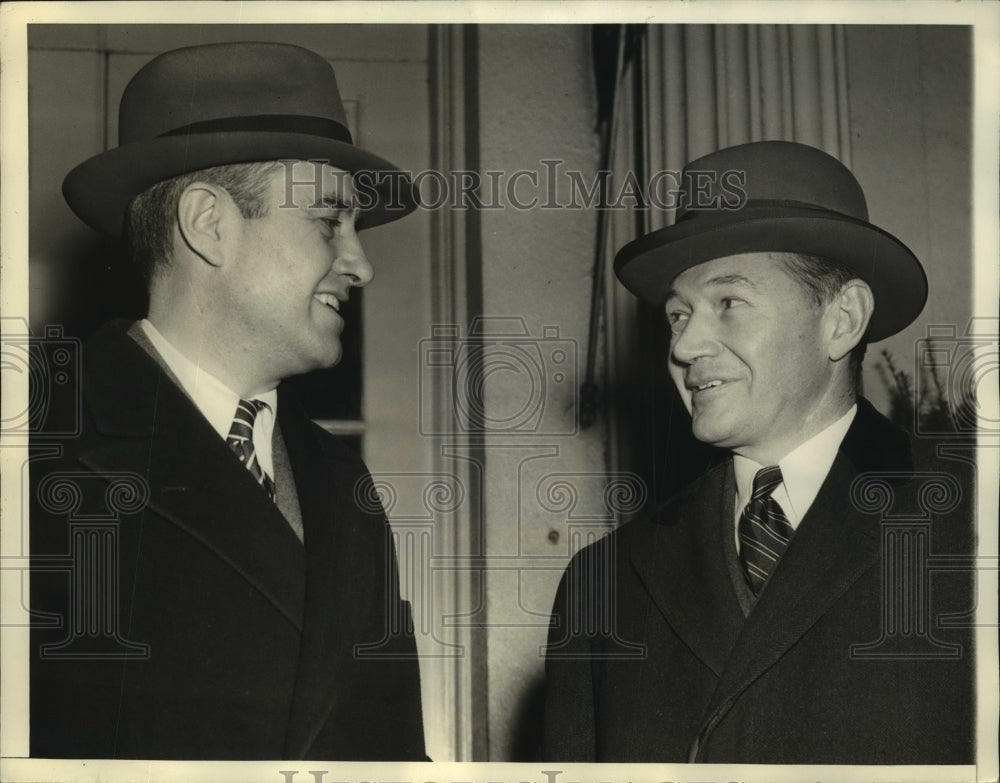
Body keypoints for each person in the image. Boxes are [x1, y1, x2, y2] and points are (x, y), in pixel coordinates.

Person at [30, 41, 426, 760]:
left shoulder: (345, 481)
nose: (361, 264)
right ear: (208, 223)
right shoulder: (33, 454)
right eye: (329, 221)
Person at [542, 141, 975, 764]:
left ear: (842, 319)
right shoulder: (602, 583)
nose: (684, 345)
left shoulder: (972, 527)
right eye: (677, 315)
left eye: (729, 303)